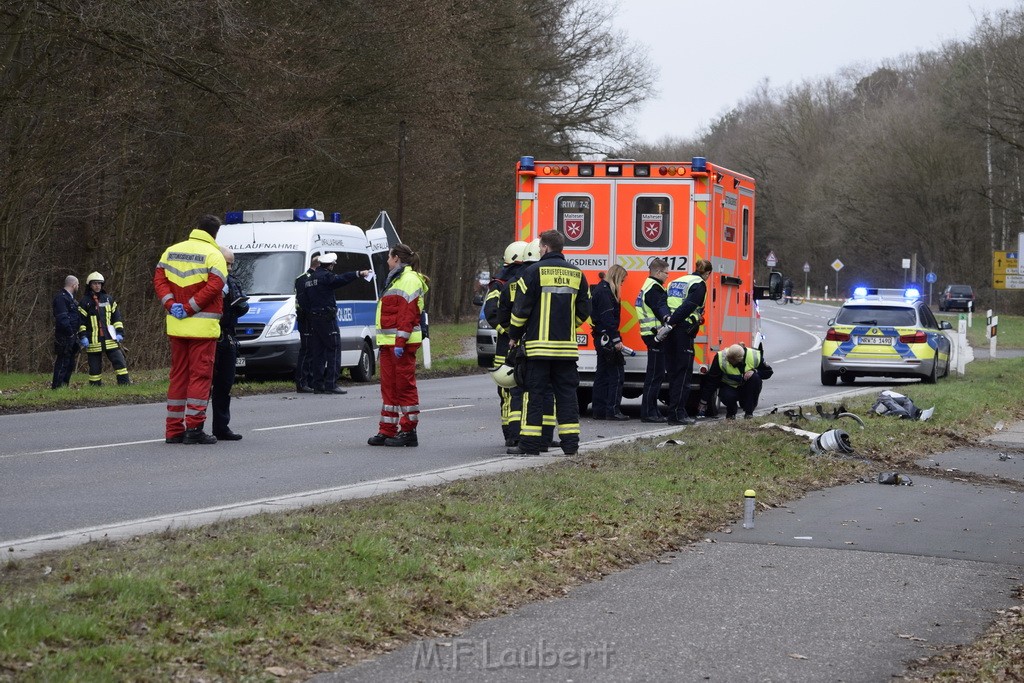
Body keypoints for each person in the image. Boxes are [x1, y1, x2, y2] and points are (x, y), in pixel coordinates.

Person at [506, 230, 591, 456]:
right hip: (566, 351)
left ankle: (531, 445)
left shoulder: (533, 272)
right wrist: (567, 326)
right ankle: (571, 444)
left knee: (535, 396)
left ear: (544, 247)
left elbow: (520, 310)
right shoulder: (577, 274)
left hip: (538, 349)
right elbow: (585, 310)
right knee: (566, 396)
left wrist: (514, 335)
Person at [154, 215, 228, 445]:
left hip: (177, 326)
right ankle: (194, 428)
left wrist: (171, 305)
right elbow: (215, 287)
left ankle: (173, 430)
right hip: (202, 328)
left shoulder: (171, 251)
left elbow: (159, 280)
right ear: (215, 233)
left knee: (178, 376)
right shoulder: (215, 255)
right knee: (200, 376)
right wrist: (189, 307)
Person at [367, 244, 429, 447]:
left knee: (404, 388)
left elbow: (407, 314)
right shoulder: (397, 278)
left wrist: (400, 342)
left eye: (388, 257)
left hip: (401, 344)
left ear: (396, 258)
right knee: (389, 389)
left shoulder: (409, 279)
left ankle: (409, 431)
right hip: (389, 343)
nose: (386, 260)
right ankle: (387, 430)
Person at [303, 252, 369, 394]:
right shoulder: (326, 277)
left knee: (318, 352)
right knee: (333, 349)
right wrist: (358, 273)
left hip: (314, 319)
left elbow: (306, 300)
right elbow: (342, 279)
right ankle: (331, 384)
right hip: (327, 318)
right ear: (331, 265)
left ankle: (318, 384)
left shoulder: (310, 279)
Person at [484, 240, 528, 446]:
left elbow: (492, 313)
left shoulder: (500, 282)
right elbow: (492, 312)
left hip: (508, 346)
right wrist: (514, 333)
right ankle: (514, 434)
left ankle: (512, 434)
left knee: (509, 394)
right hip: (514, 346)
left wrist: (509, 333)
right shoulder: (502, 283)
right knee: (514, 391)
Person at [662, 258, 713, 426]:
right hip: (682, 330)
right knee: (684, 373)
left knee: (674, 373)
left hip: (670, 329)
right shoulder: (700, 284)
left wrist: (667, 323)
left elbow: (665, 303)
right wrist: (673, 323)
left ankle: (673, 412)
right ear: (707, 273)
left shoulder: (677, 281)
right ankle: (678, 413)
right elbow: (688, 306)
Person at [206, 247, 249, 440]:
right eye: (226, 263)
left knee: (225, 383)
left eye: (231, 264)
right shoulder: (206, 280)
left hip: (228, 337)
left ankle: (221, 427)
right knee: (204, 385)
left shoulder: (232, 281)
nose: (230, 268)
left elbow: (241, 306)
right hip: (208, 337)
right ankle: (195, 426)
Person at [77, 272, 131, 386]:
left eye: (99, 283)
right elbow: (81, 322)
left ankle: (125, 384)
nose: (97, 286)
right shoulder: (84, 302)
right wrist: (83, 336)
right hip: (93, 340)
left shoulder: (108, 299)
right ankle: (95, 387)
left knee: (120, 362)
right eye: (95, 283)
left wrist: (120, 333)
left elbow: (116, 318)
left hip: (110, 339)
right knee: (95, 367)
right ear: (89, 285)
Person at [591, 264, 629, 420]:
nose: (622, 285)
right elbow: (608, 318)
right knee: (616, 375)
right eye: (622, 281)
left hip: (600, 337)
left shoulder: (599, 289)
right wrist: (616, 339)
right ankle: (613, 410)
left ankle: (599, 410)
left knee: (601, 375)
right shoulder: (606, 293)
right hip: (608, 338)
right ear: (617, 278)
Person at [636, 258, 671, 422]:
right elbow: (659, 308)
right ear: (658, 272)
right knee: (655, 376)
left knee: (655, 375)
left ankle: (651, 411)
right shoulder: (655, 289)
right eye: (666, 273)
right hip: (655, 336)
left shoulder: (647, 286)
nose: (668, 276)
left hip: (651, 335)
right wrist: (668, 318)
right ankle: (649, 413)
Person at [699, 343, 773, 419]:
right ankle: (731, 413)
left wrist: (755, 371)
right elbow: (712, 381)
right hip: (729, 387)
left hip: (747, 388)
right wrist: (703, 401)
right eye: (729, 360)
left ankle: (749, 413)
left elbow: (769, 372)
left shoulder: (753, 356)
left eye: (732, 361)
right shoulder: (720, 357)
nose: (730, 362)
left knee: (755, 378)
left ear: (740, 359)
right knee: (727, 396)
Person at [293, 255, 318, 393]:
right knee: (307, 350)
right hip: (306, 319)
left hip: (313, 319)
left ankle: (311, 381)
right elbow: (303, 301)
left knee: (313, 351)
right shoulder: (304, 278)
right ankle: (302, 383)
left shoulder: (313, 277)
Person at [51, 275, 81, 389]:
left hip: (72, 336)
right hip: (64, 336)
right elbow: (62, 318)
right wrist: (70, 333)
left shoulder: (71, 299)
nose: (78, 287)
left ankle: (64, 386)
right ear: (74, 285)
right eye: (77, 285)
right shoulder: (61, 298)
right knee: (63, 362)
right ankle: (57, 387)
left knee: (69, 363)